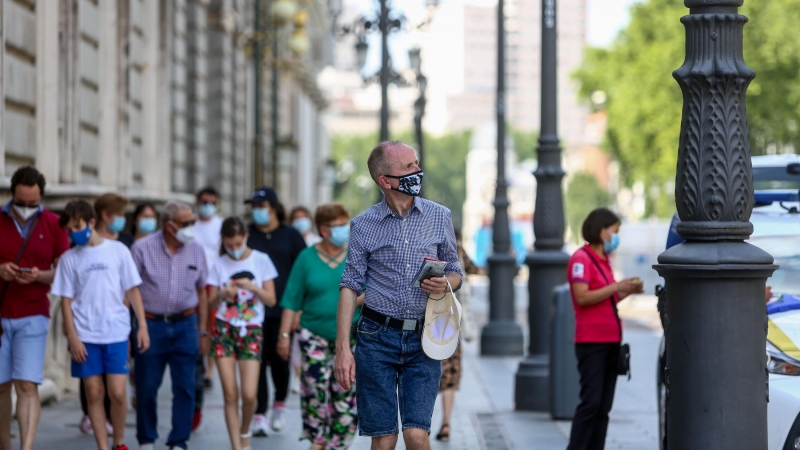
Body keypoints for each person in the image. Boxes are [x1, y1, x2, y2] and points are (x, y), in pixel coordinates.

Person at [335, 141, 463, 450]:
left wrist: (446, 282)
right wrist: (343, 349)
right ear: (385, 180)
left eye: (416, 164)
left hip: (425, 338)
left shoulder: (439, 216)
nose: (417, 171)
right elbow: (350, 284)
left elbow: (457, 271)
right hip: (376, 338)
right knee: (384, 440)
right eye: (408, 168)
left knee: (417, 435)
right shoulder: (363, 225)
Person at [51, 200, 151, 450]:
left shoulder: (118, 251)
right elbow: (65, 301)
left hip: (116, 332)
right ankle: (103, 446)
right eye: (70, 230)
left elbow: (133, 290)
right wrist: (72, 337)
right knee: (94, 393)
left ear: (92, 223)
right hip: (85, 335)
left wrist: (142, 326)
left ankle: (119, 442)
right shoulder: (68, 259)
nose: (74, 233)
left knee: (117, 392)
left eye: (78, 227)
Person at [278, 204, 362, 450]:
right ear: (324, 229)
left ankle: (338, 442)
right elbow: (292, 299)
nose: (344, 230)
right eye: (338, 226)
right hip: (313, 334)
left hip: (350, 337)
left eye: (345, 224)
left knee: (346, 391)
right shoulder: (307, 258)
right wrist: (284, 335)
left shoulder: (356, 254)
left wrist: (360, 298)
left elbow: (374, 288)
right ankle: (317, 439)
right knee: (314, 390)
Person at [0, 166, 69, 450]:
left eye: (32, 203)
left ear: (41, 198)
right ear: (11, 194)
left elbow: (65, 270)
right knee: (1, 387)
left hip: (33, 313)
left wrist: (39, 276)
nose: (26, 208)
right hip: (1, 313)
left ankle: (25, 448)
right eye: (20, 203)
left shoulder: (53, 223)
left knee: (27, 385)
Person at [131, 201, 209, 450]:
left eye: (193, 222)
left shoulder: (196, 249)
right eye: (187, 223)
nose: (191, 228)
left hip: (186, 323)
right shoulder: (142, 248)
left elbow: (203, 291)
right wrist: (139, 325)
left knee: (186, 386)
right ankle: (146, 439)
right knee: (146, 386)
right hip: (151, 324)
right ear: (169, 226)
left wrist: (203, 329)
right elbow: (130, 290)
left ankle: (179, 441)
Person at [566, 208, 643, 450]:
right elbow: (582, 297)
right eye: (615, 231)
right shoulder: (581, 259)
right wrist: (615, 287)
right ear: (602, 231)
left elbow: (603, 299)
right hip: (592, 343)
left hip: (611, 341)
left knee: (603, 407)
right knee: (591, 403)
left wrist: (624, 291)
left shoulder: (604, 261)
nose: (616, 237)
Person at [207, 217, 278, 450]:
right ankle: (237, 445)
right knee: (230, 394)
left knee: (249, 394)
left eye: (238, 244)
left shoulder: (261, 260)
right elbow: (208, 304)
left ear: (246, 237)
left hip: (251, 330)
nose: (234, 249)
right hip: (223, 330)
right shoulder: (218, 264)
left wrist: (253, 287)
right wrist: (221, 295)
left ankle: (245, 431)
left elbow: (271, 299)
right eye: (229, 245)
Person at [245, 187, 307, 436]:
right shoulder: (248, 234)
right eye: (255, 207)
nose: (257, 211)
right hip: (253, 310)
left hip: (284, 309)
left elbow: (303, 272)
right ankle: (259, 413)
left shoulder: (290, 235)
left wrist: (299, 310)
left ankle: (279, 404)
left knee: (280, 361)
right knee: (256, 362)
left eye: (262, 206)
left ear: (273, 207)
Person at [73, 193, 135, 435]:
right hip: (87, 321)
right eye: (119, 215)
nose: (121, 219)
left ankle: (114, 426)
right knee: (92, 383)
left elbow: (132, 281)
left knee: (116, 384)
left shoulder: (126, 242)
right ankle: (92, 415)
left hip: (118, 319)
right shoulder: (81, 245)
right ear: (105, 215)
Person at [435, 229, 479, 442]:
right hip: (450, 320)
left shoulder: (426, 246)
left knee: (429, 373)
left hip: (429, 321)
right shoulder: (456, 249)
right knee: (449, 375)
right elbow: (473, 268)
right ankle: (445, 422)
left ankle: (423, 425)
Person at [193, 187, 224, 430]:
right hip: (193, 283)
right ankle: (201, 364)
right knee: (199, 325)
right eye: (203, 201)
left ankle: (209, 372)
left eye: (211, 202)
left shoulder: (220, 225)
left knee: (214, 326)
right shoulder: (190, 225)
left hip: (214, 283)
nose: (207, 205)